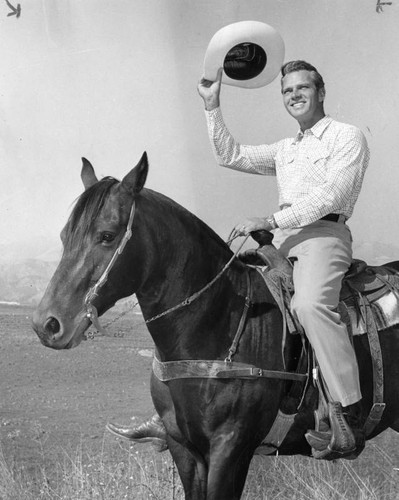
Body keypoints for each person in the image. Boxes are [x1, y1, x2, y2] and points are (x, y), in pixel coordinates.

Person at [107, 60, 369, 458]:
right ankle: (177, 410)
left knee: (311, 305)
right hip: (282, 241)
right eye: (287, 91)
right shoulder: (286, 149)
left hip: (323, 236)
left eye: (302, 87)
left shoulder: (347, 137)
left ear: (321, 92)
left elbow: (331, 197)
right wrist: (212, 105)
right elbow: (231, 155)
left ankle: (345, 414)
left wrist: (269, 219)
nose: (294, 95)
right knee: (221, 300)